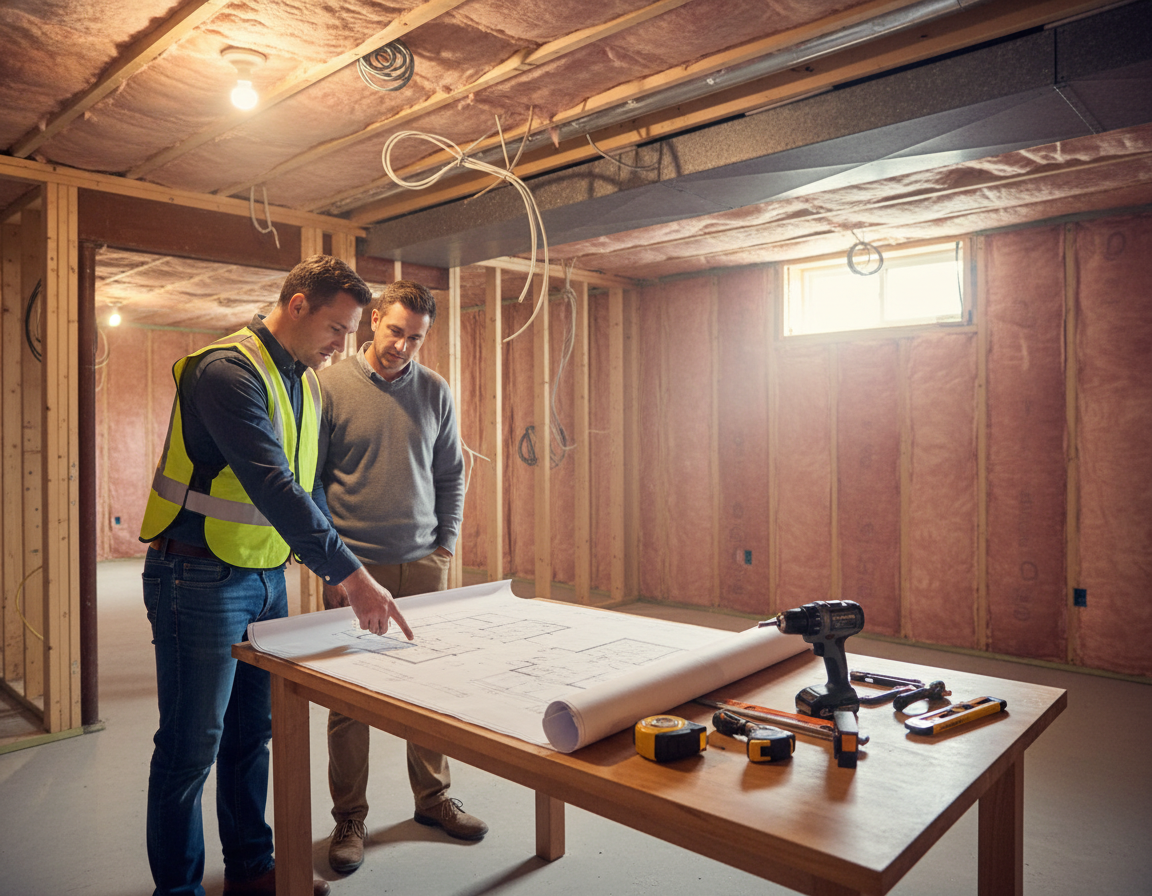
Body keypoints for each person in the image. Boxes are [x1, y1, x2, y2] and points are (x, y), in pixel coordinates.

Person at [139, 255, 413, 896]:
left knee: (249, 738)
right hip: (197, 578)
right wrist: (354, 577)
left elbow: (309, 487)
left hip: (265, 579)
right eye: (338, 329)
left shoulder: (304, 381)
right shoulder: (225, 371)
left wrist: (322, 569)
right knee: (189, 748)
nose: (344, 345)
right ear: (297, 306)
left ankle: (252, 871)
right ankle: (176, 890)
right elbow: (271, 484)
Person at [315, 279, 487, 875]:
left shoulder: (435, 390)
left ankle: (433, 799)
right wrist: (330, 565)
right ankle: (350, 818)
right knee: (349, 699)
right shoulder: (330, 385)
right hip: (352, 568)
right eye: (395, 332)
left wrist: (445, 544)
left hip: (422, 563)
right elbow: (309, 481)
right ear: (373, 324)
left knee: (429, 687)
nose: (403, 347)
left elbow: (451, 473)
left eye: (415, 338)